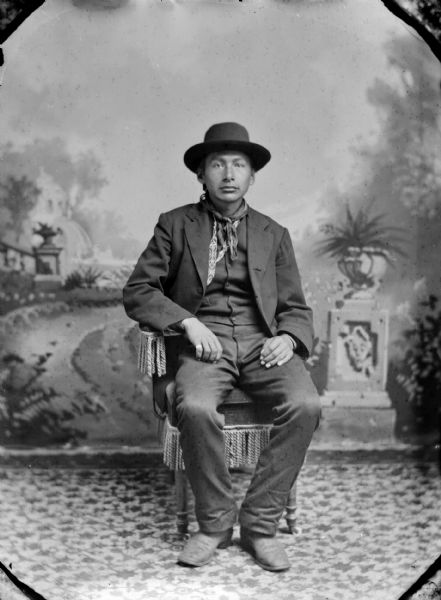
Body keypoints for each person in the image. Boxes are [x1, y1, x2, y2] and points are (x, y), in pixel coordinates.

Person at [123, 122, 321, 572]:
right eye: (217, 164)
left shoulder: (274, 233)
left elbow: (295, 306)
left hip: (260, 342)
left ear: (253, 176)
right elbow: (138, 291)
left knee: (305, 404)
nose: (228, 174)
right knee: (193, 406)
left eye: (238, 165)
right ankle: (213, 524)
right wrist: (187, 322)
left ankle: (260, 525)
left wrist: (287, 338)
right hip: (204, 343)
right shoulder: (175, 225)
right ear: (201, 175)